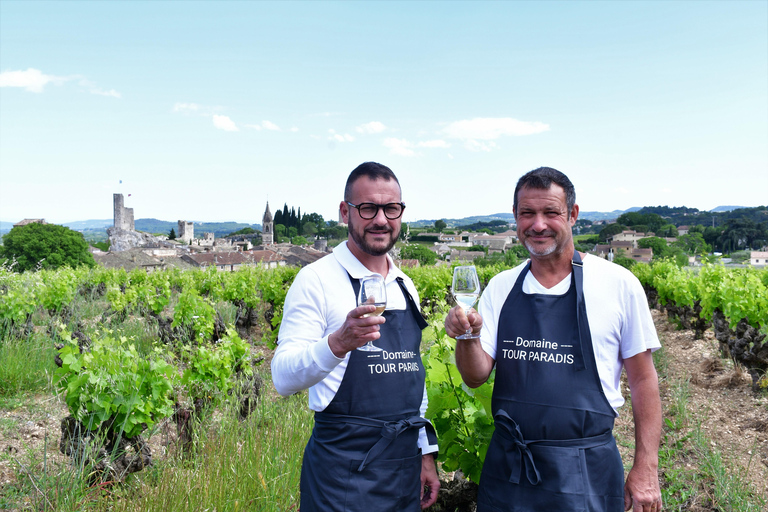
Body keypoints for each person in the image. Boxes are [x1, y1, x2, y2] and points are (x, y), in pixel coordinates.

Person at [445, 167, 663, 512]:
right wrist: (468, 337)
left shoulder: (617, 284)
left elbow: (643, 380)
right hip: (510, 467)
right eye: (527, 213)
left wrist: (646, 468)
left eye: (551, 212)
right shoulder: (502, 286)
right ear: (515, 217)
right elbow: (475, 376)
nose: (538, 224)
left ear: (573, 214)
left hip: (585, 469)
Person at [271, 162, 440, 511]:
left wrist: (425, 453)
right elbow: (282, 377)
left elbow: (414, 380)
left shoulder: (405, 285)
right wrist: (338, 344)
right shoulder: (316, 280)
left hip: (403, 472)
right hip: (342, 478)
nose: (381, 219)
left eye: (391, 208)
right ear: (345, 212)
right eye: (368, 208)